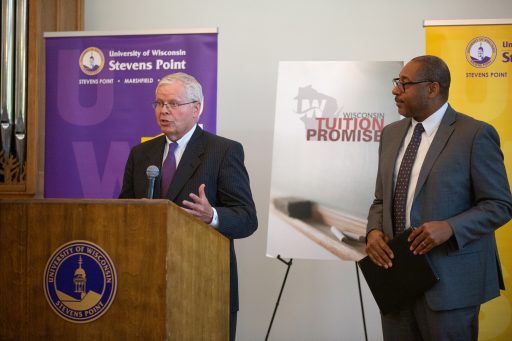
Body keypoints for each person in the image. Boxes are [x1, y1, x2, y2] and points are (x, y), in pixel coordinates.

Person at [366, 55, 512, 340]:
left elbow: (499, 205)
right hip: (396, 279)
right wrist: (373, 232)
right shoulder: (390, 134)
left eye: (404, 84)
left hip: (451, 285)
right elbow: (380, 200)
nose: (395, 90)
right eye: (397, 83)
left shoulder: (475, 134)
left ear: (432, 89)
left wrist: (450, 228)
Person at [119, 72, 258, 340]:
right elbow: (124, 210)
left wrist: (213, 215)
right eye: (159, 103)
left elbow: (247, 218)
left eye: (173, 104)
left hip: (204, 284)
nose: (164, 111)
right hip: (146, 282)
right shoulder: (140, 154)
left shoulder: (223, 151)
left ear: (196, 109)